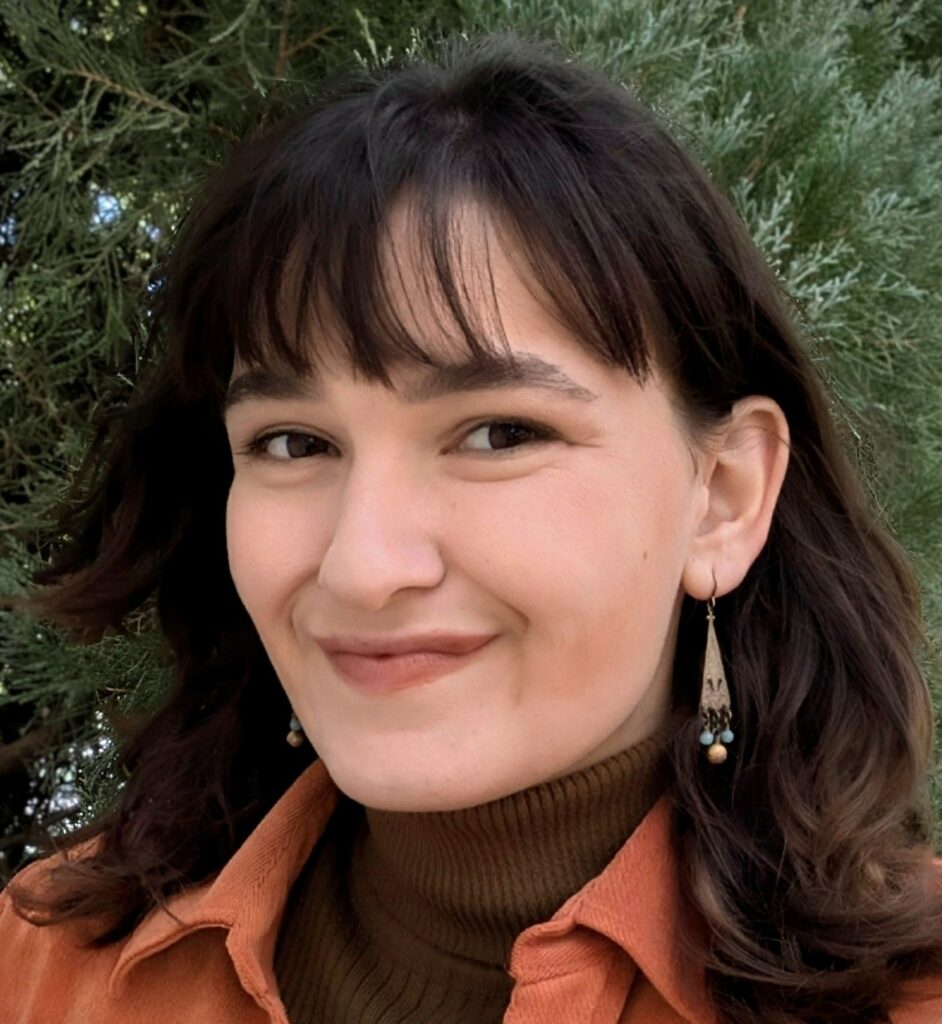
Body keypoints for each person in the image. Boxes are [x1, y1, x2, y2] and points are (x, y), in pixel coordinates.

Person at [1, 29, 941, 1024]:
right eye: (290, 443)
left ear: (723, 495)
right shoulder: (46, 962)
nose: (363, 567)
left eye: (497, 433)